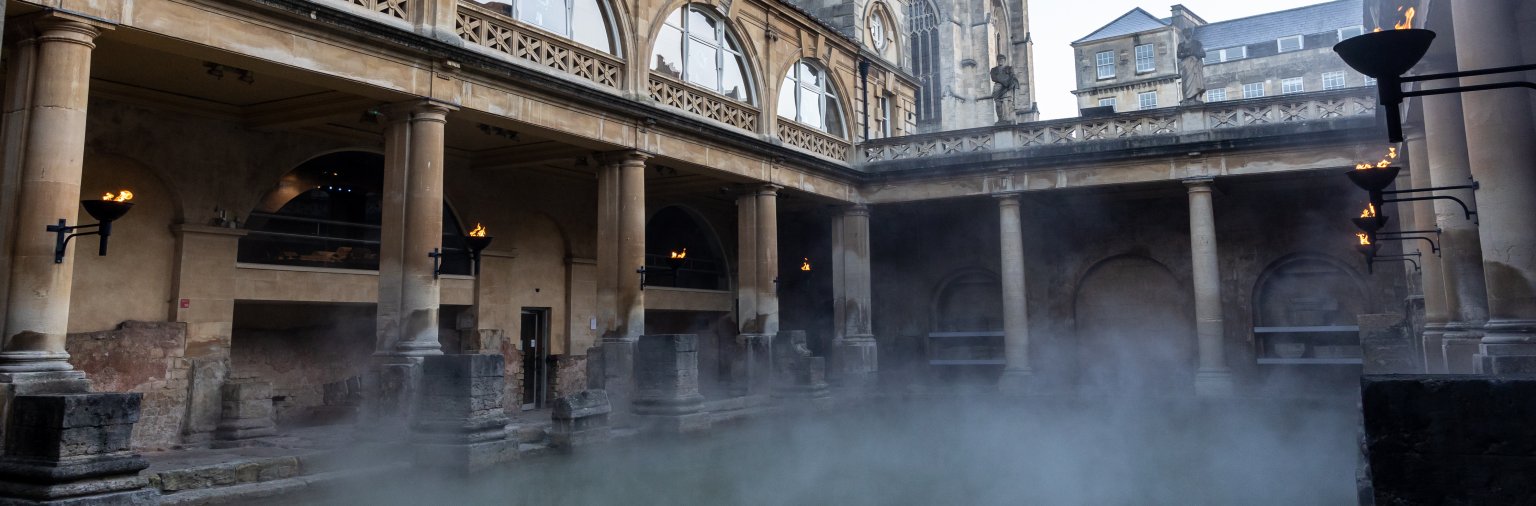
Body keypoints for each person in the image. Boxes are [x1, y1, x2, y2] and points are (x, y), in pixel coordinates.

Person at [988, 55, 1019, 124]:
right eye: (999, 60)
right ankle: (1000, 119)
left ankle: (1007, 119)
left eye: (1002, 60)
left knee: (1006, 104)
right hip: (998, 87)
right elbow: (994, 78)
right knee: (998, 104)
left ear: (1004, 61)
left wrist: (1010, 83)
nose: (1000, 61)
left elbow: (1013, 77)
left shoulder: (1009, 68)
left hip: (1006, 88)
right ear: (997, 61)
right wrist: (1004, 81)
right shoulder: (994, 69)